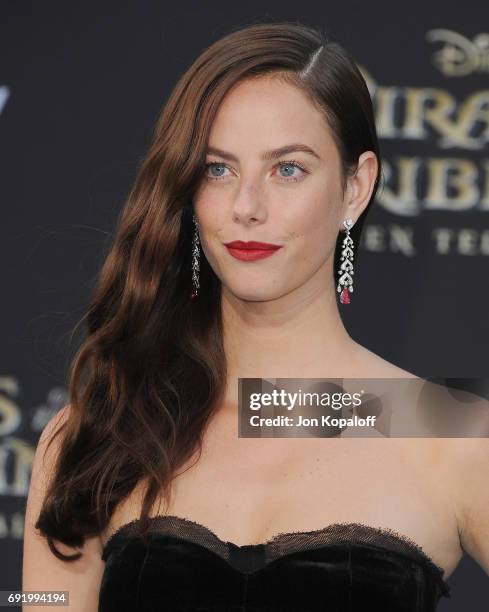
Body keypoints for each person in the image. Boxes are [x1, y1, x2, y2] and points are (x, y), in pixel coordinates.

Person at [22, 20, 489, 611]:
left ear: (355, 187)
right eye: (218, 169)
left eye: (287, 169)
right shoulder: (98, 432)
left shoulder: (448, 428)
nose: (246, 207)